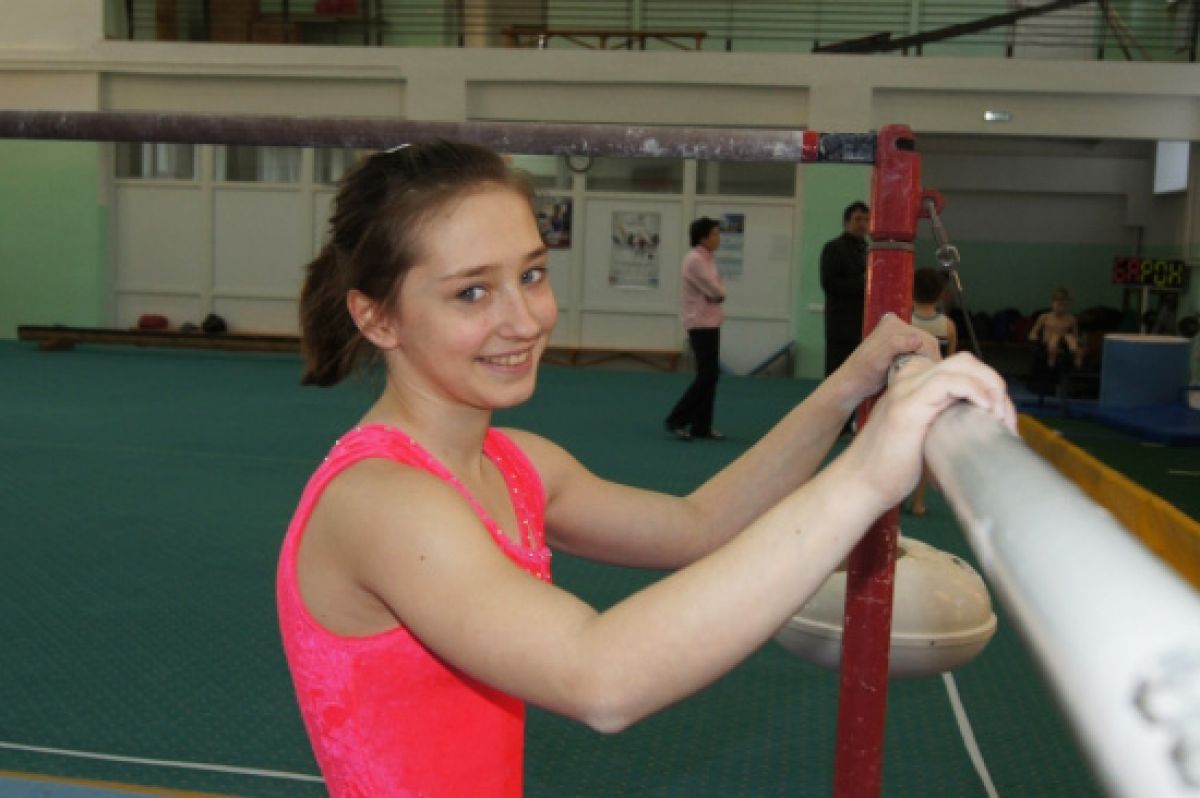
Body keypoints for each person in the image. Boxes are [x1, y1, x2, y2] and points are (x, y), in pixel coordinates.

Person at [277, 140, 1015, 797]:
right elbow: (598, 677)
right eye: (472, 292)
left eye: (532, 274)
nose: (525, 320)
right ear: (377, 317)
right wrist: (865, 476)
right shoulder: (385, 503)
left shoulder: (517, 464)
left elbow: (699, 525)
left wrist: (847, 386)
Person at [664, 217, 727, 441]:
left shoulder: (708, 258)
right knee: (708, 375)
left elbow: (718, 289)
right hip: (699, 322)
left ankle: (701, 426)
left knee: (710, 375)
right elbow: (717, 291)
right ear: (703, 238)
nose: (718, 238)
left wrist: (718, 292)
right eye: (715, 234)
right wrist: (718, 292)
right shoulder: (695, 260)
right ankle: (677, 419)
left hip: (711, 321)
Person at [907, 268, 958, 516]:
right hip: (931, 390)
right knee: (925, 447)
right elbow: (948, 361)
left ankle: (895, 499)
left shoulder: (905, 321)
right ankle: (918, 501)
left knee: (902, 444)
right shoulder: (948, 326)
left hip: (906, 388)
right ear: (940, 295)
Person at [820, 201, 870, 378]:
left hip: (863, 323)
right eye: (858, 219)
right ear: (846, 222)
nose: (863, 224)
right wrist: (864, 282)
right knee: (838, 374)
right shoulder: (834, 248)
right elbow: (830, 283)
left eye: (866, 220)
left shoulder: (868, 249)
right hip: (841, 326)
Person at [1029, 286, 1084, 370]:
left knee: (1069, 337)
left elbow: (1076, 334)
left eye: (1063, 304)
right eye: (1057, 303)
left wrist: (1078, 344)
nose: (1060, 306)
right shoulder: (1044, 317)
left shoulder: (1071, 319)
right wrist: (1034, 337)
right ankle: (1051, 359)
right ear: (1053, 303)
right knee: (1055, 337)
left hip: (1065, 343)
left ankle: (1075, 357)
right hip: (1048, 342)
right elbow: (1033, 332)